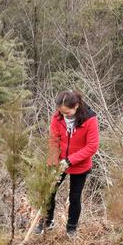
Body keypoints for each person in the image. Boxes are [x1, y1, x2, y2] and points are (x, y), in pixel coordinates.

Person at [34, 89, 100, 237]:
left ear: (76, 106)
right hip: (58, 162)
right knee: (49, 192)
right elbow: (54, 139)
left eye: (67, 113)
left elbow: (92, 146)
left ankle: (71, 228)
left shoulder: (90, 119)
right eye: (62, 112)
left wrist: (70, 161)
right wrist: (53, 161)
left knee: (75, 197)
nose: (64, 115)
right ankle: (47, 222)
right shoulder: (57, 117)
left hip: (80, 164)